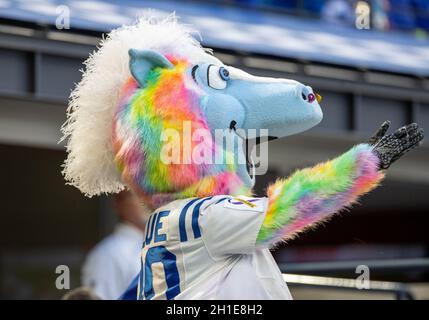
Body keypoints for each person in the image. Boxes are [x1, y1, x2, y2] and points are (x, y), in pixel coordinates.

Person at [81, 191, 148, 300]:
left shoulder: (163, 246)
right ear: (118, 202)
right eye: (137, 193)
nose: (147, 200)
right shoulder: (107, 254)